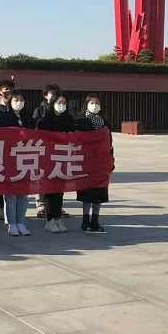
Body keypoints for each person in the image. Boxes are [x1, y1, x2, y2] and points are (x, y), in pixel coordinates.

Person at [0, 89, 34, 236]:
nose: (19, 103)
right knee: (11, 195)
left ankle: (21, 223)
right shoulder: (4, 117)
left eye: (21, 100)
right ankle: (11, 224)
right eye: (16, 100)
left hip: (26, 158)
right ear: (9, 102)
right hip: (9, 159)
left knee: (23, 195)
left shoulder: (27, 117)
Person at [36, 91, 75, 233]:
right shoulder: (45, 120)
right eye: (59, 103)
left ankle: (58, 217)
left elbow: (74, 137)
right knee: (49, 190)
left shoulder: (69, 119)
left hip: (63, 158)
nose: (62, 105)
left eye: (64, 103)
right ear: (52, 104)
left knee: (59, 190)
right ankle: (50, 219)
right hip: (48, 159)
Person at [74, 94, 112, 233]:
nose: (94, 105)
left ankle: (95, 220)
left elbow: (110, 143)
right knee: (87, 194)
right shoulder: (80, 121)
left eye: (97, 103)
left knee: (99, 192)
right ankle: (85, 221)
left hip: (101, 162)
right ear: (86, 104)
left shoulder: (105, 123)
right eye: (91, 102)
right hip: (86, 162)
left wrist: (110, 161)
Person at [33, 83, 60, 218]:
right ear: (45, 95)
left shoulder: (62, 112)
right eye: (51, 93)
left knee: (57, 176)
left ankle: (57, 205)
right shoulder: (39, 110)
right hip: (42, 149)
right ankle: (40, 204)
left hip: (58, 150)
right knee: (41, 176)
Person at [0, 79, 15, 220]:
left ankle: (11, 207)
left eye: (10, 89)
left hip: (14, 148)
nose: (8, 91)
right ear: (0, 91)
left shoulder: (17, 108)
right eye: (6, 89)